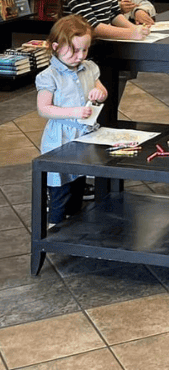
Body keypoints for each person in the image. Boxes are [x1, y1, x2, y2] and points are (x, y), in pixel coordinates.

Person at [36, 16, 107, 228]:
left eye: (84, 50)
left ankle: (75, 228)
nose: (80, 56)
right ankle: (54, 228)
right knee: (60, 189)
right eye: (74, 51)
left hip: (83, 137)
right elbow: (43, 108)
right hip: (60, 140)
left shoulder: (89, 68)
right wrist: (74, 112)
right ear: (56, 47)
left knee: (78, 183)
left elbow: (102, 91)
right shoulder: (49, 76)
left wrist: (99, 93)